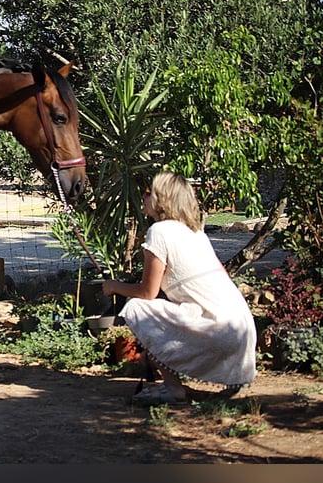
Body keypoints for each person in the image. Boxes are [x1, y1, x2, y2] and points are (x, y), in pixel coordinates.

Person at [102, 171, 256, 405]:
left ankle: (173, 389)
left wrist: (113, 286)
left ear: (160, 199)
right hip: (241, 329)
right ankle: (223, 385)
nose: (143, 198)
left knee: (137, 307)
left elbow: (147, 292)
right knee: (158, 311)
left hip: (219, 330)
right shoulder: (194, 233)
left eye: (147, 193)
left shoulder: (160, 231)